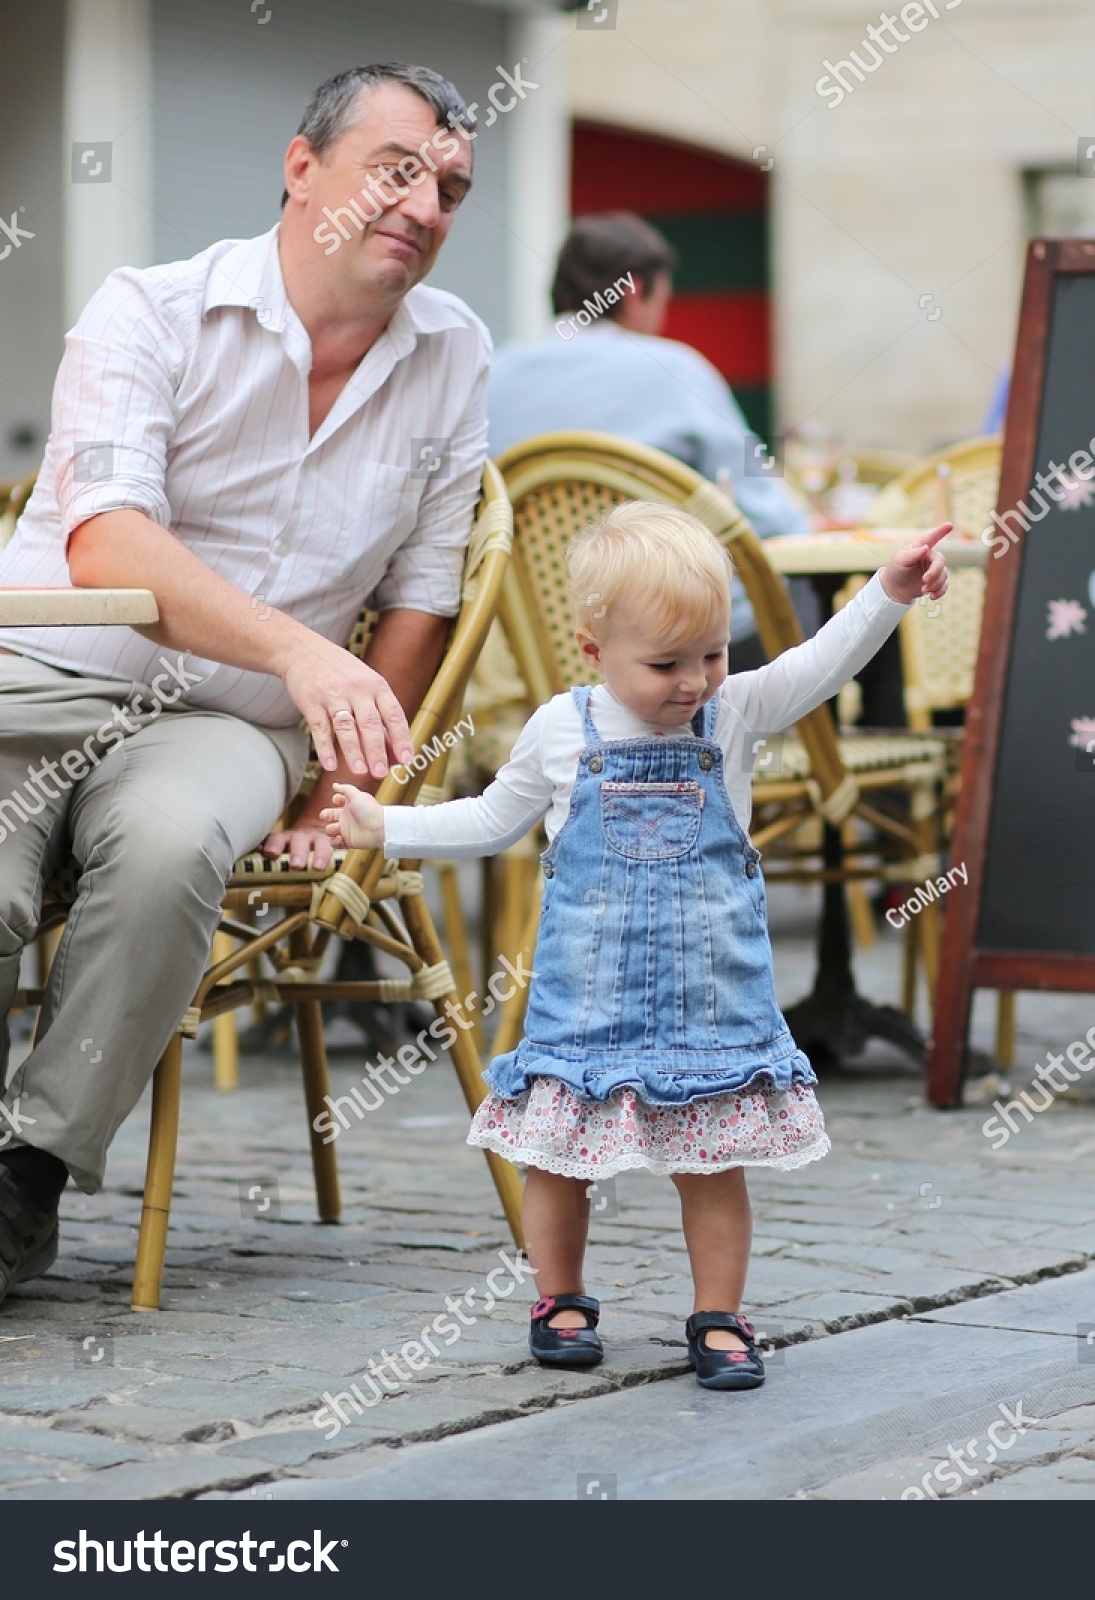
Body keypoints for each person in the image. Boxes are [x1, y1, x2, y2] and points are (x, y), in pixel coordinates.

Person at [0, 63, 490, 1307]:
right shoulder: (149, 310)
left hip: (228, 722)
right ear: (300, 166)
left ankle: (28, 1174)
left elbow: (426, 596)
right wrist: (299, 645)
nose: (425, 203)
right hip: (45, 665)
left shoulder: (453, 354)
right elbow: (105, 540)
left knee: (168, 857)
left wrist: (346, 779)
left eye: (450, 186)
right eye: (396, 167)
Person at [323, 502, 950, 1388]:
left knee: (712, 1164)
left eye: (711, 654)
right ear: (594, 650)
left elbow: (819, 664)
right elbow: (492, 820)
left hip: (711, 1002)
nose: (694, 681)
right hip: (588, 1004)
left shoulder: (730, 715)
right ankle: (562, 1295)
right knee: (557, 1160)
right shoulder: (559, 729)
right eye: (665, 664)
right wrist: (385, 824)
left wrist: (887, 592)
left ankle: (720, 1314)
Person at [485, 212, 811, 655]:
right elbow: (773, 520)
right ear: (637, 289)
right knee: (857, 609)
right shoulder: (674, 369)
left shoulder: (493, 378)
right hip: (687, 642)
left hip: (543, 648)